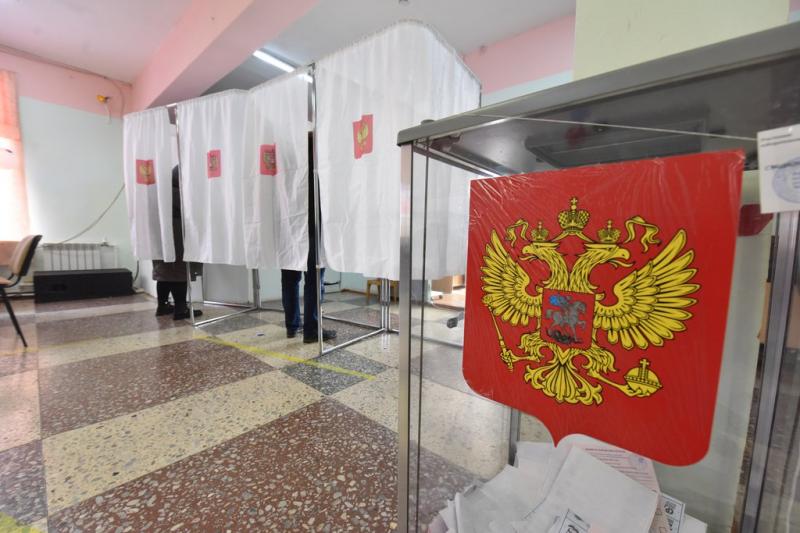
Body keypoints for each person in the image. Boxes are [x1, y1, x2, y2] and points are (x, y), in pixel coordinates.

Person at [281, 134, 335, 343]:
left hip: (289, 227)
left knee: (290, 279)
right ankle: (311, 330)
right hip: (312, 228)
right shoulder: (319, 168)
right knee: (314, 279)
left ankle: (292, 326)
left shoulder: (288, 166)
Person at [153, 166, 203, 320]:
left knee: (164, 273)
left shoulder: (163, 192)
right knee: (179, 272)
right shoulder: (179, 194)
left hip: (162, 237)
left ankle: (162, 306)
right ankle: (180, 309)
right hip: (177, 236)